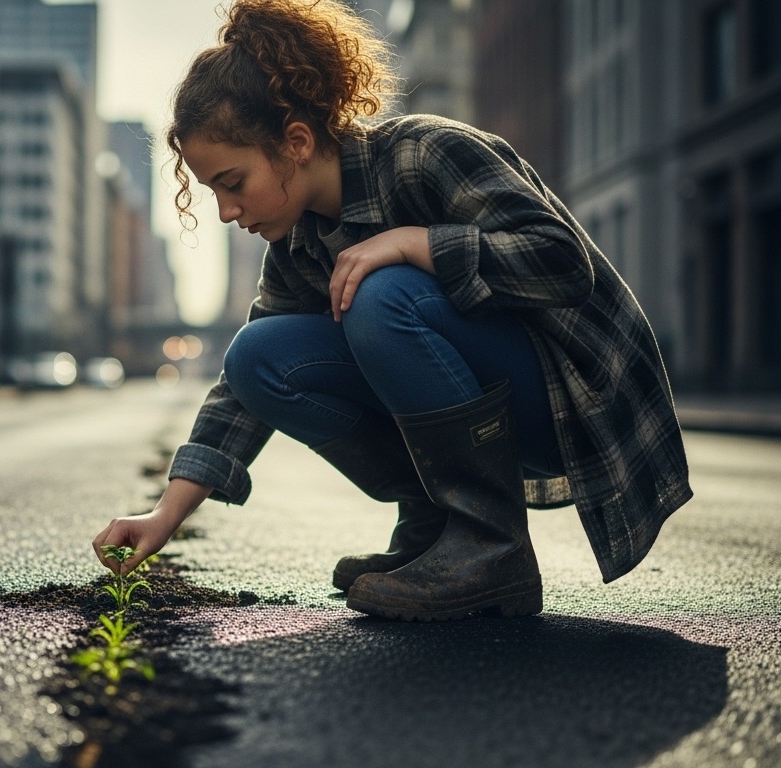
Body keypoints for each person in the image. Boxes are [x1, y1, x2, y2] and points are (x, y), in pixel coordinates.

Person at [91, 0, 692, 621]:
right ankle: (436, 529)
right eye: (213, 190)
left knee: (381, 295)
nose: (224, 210)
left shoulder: (425, 153)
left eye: (233, 182)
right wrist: (166, 513)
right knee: (257, 355)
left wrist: (419, 243)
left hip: (577, 400)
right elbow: (242, 392)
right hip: (504, 406)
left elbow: (563, 263)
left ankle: (492, 547)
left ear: (296, 142)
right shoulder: (297, 243)